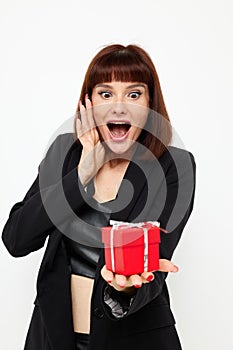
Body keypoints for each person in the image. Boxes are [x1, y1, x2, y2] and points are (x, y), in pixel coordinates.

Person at [2, 44, 196, 350]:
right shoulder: (65, 154)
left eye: (134, 94)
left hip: (135, 339)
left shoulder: (173, 166)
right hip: (54, 338)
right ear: (88, 103)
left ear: (150, 106)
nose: (119, 107)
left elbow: (154, 266)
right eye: (106, 94)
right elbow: (17, 238)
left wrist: (125, 291)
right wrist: (81, 175)